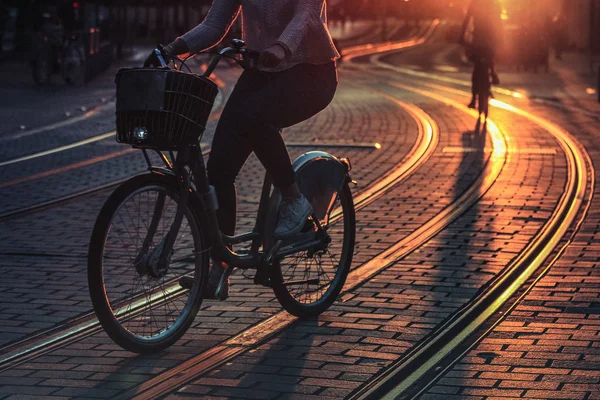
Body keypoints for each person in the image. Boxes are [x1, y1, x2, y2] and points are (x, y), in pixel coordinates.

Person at [164, 0, 340, 299]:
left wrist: (282, 48)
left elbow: (305, 16)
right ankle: (219, 267)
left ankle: (295, 200)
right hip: (262, 70)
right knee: (218, 170)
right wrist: (171, 49)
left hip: (310, 73)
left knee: (254, 117)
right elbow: (213, 26)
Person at [459, 0, 503, 109]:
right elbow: (499, 22)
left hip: (478, 38)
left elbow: (466, 20)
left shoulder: (475, 3)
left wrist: (461, 36)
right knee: (490, 57)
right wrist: (501, 38)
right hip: (490, 38)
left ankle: (474, 99)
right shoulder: (494, 3)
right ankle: (493, 74)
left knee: (477, 68)